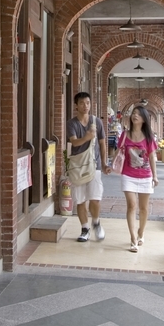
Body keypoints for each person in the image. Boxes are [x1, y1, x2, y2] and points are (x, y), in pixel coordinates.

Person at [66, 92, 111, 242]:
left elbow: (102, 143)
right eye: (82, 103)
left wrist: (104, 163)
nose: (85, 106)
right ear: (76, 106)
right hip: (78, 166)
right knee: (80, 200)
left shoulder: (96, 122)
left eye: (87, 103)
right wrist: (86, 137)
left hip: (94, 165)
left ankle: (96, 223)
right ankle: (85, 229)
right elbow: (74, 142)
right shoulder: (71, 124)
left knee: (95, 198)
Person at [117, 105, 158, 252]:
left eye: (139, 114)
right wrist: (111, 165)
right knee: (131, 205)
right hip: (128, 175)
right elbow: (118, 152)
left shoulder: (149, 137)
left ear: (144, 119)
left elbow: (152, 157)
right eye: (134, 113)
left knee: (144, 208)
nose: (135, 116)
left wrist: (155, 176)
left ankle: (141, 232)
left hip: (145, 176)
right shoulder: (125, 135)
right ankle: (133, 238)